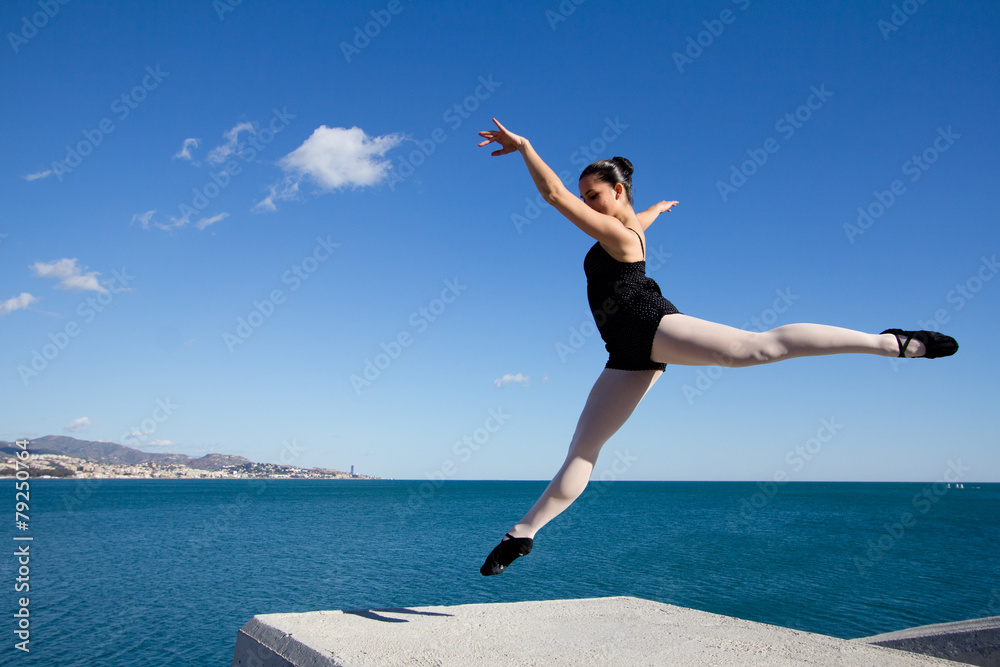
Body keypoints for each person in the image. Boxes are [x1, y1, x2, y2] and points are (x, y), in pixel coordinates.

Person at [475, 118, 958, 576]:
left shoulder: (619, 235)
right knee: (583, 450)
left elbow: (553, 194)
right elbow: (639, 218)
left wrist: (525, 148)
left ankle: (889, 342)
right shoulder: (634, 225)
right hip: (624, 352)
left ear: (616, 190)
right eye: (586, 197)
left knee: (755, 349)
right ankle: (523, 534)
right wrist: (658, 210)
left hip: (649, 322)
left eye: (594, 195)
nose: (588, 202)